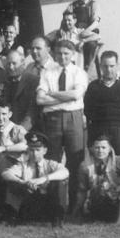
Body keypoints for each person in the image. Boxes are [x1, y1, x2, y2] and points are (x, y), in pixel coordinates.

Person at [35, 39, 88, 209]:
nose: (63, 57)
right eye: (59, 53)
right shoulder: (47, 72)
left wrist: (52, 94)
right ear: (54, 54)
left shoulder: (79, 72)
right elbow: (39, 99)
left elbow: (76, 94)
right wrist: (63, 96)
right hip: (53, 119)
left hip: (74, 118)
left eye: (66, 53)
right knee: (52, 160)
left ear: (72, 55)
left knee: (75, 160)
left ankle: (74, 204)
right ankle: (53, 204)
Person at [0, 132, 68, 225]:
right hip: (29, 203)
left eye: (38, 150)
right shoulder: (23, 165)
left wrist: (44, 178)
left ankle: (57, 219)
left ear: (45, 151)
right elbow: (6, 173)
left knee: (60, 183)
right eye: (31, 150)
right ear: (27, 150)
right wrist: (23, 182)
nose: (34, 153)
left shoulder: (50, 164)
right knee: (12, 183)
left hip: (48, 203)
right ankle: (13, 216)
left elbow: (65, 172)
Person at [82, 51, 120, 156]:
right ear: (100, 66)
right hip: (99, 129)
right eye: (105, 66)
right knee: (99, 161)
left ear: (117, 65)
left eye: (112, 66)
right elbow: (88, 109)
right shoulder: (93, 86)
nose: (108, 70)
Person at [74, 134, 120, 222]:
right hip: (98, 200)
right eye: (97, 147)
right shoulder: (85, 166)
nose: (100, 151)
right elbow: (82, 189)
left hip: (119, 199)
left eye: (103, 147)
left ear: (110, 149)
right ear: (92, 149)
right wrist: (77, 209)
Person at [68, 0, 102, 72]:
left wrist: (86, 31)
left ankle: (87, 66)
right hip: (76, 33)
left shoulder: (93, 4)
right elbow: (67, 18)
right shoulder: (72, 6)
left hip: (88, 33)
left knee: (91, 45)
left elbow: (96, 21)